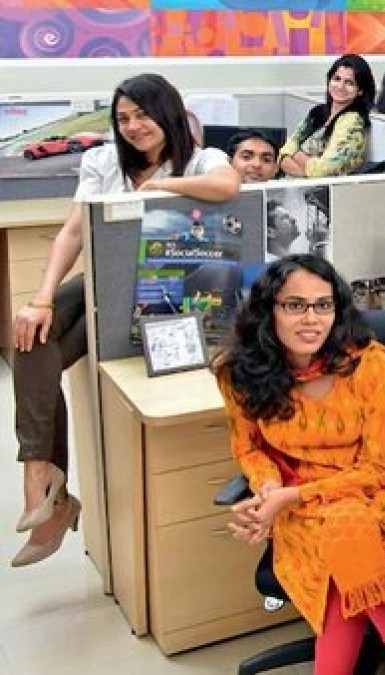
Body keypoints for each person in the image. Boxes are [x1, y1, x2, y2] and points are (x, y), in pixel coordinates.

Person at [10, 73, 239, 568]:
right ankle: (41, 477)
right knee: (31, 335)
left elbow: (228, 185)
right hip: (103, 279)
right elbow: (74, 232)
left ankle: (50, 497)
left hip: (162, 292)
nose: (133, 126)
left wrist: (162, 186)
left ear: (168, 111)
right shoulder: (102, 161)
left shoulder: (202, 159)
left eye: (142, 114)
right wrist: (42, 298)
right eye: (123, 118)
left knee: (41, 354)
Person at [214, 254, 385, 675]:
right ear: (269, 311)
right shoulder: (239, 373)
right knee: (347, 545)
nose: (311, 319)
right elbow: (249, 450)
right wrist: (267, 488)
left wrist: (290, 496)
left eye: (323, 305)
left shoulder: (369, 363)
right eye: (295, 305)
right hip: (301, 504)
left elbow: (380, 465)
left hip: (384, 490)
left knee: (347, 530)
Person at [280, 54, 374, 178]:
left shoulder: (352, 122)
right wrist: (306, 168)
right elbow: (283, 153)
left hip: (321, 189)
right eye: (337, 79)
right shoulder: (318, 113)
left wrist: (295, 154)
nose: (340, 86)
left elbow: (324, 171)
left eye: (349, 83)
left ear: (360, 90)